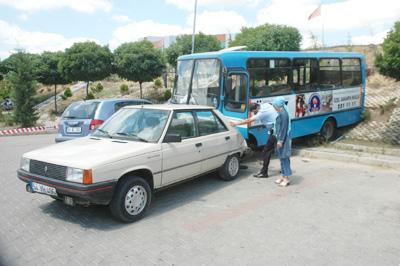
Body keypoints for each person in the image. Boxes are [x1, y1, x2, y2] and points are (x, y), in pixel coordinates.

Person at [230, 102, 278, 178]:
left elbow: (249, 120)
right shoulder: (266, 105)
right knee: (278, 150)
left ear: (257, 108)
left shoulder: (261, 113)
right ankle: (284, 170)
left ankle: (264, 172)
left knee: (266, 151)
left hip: (276, 131)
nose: (254, 113)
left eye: (254, 111)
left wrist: (235, 123)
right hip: (276, 129)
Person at [272, 96, 292, 187]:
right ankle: (283, 176)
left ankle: (286, 178)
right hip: (280, 138)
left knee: (284, 158)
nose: (273, 107)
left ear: (278, 105)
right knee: (281, 158)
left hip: (283, 139)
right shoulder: (281, 112)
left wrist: (280, 141)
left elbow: (283, 129)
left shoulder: (284, 114)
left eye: (274, 105)